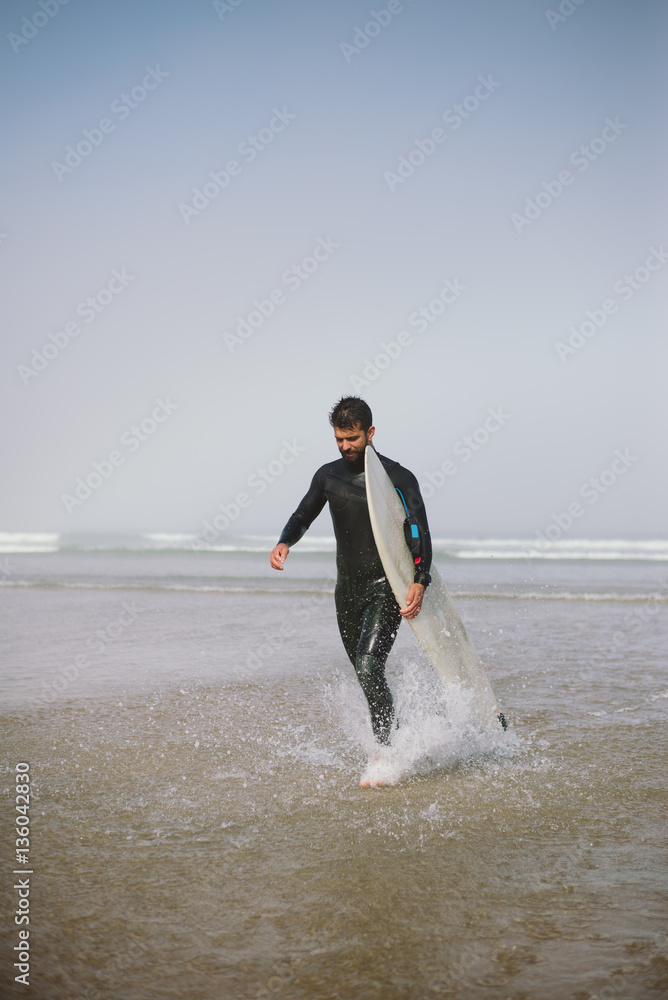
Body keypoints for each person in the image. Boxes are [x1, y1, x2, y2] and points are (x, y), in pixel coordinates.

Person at [270, 396, 432, 747]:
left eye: (353, 438)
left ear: (370, 432)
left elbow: (419, 530)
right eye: (339, 440)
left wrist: (420, 580)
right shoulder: (328, 475)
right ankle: (398, 736)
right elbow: (302, 516)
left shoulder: (397, 477)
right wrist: (285, 541)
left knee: (368, 664)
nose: (346, 446)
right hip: (347, 591)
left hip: (385, 587)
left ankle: (385, 752)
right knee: (365, 672)